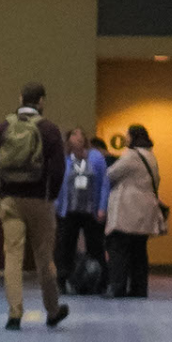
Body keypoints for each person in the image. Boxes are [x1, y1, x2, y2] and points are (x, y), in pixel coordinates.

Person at [0, 81, 69, 331]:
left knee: (13, 257)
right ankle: (53, 310)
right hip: (40, 201)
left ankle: (14, 313)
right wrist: (49, 195)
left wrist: (1, 192)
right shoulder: (49, 130)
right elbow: (58, 169)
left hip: (11, 200)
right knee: (45, 258)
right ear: (41, 101)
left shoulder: (3, 128)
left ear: (20, 98)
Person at [105, 124, 164, 299]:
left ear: (132, 137)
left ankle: (118, 287)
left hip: (128, 210)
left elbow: (111, 174)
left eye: (127, 136)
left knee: (119, 248)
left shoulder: (132, 156)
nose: (125, 139)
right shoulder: (150, 156)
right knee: (139, 251)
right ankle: (139, 289)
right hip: (145, 210)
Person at [53, 126, 110, 293]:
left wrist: (102, 207)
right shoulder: (64, 159)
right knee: (65, 246)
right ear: (69, 141)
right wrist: (56, 205)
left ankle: (101, 282)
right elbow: (56, 183)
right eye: (74, 136)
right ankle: (63, 280)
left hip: (90, 210)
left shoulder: (96, 157)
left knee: (96, 246)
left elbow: (104, 184)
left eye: (80, 136)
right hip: (68, 209)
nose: (77, 139)